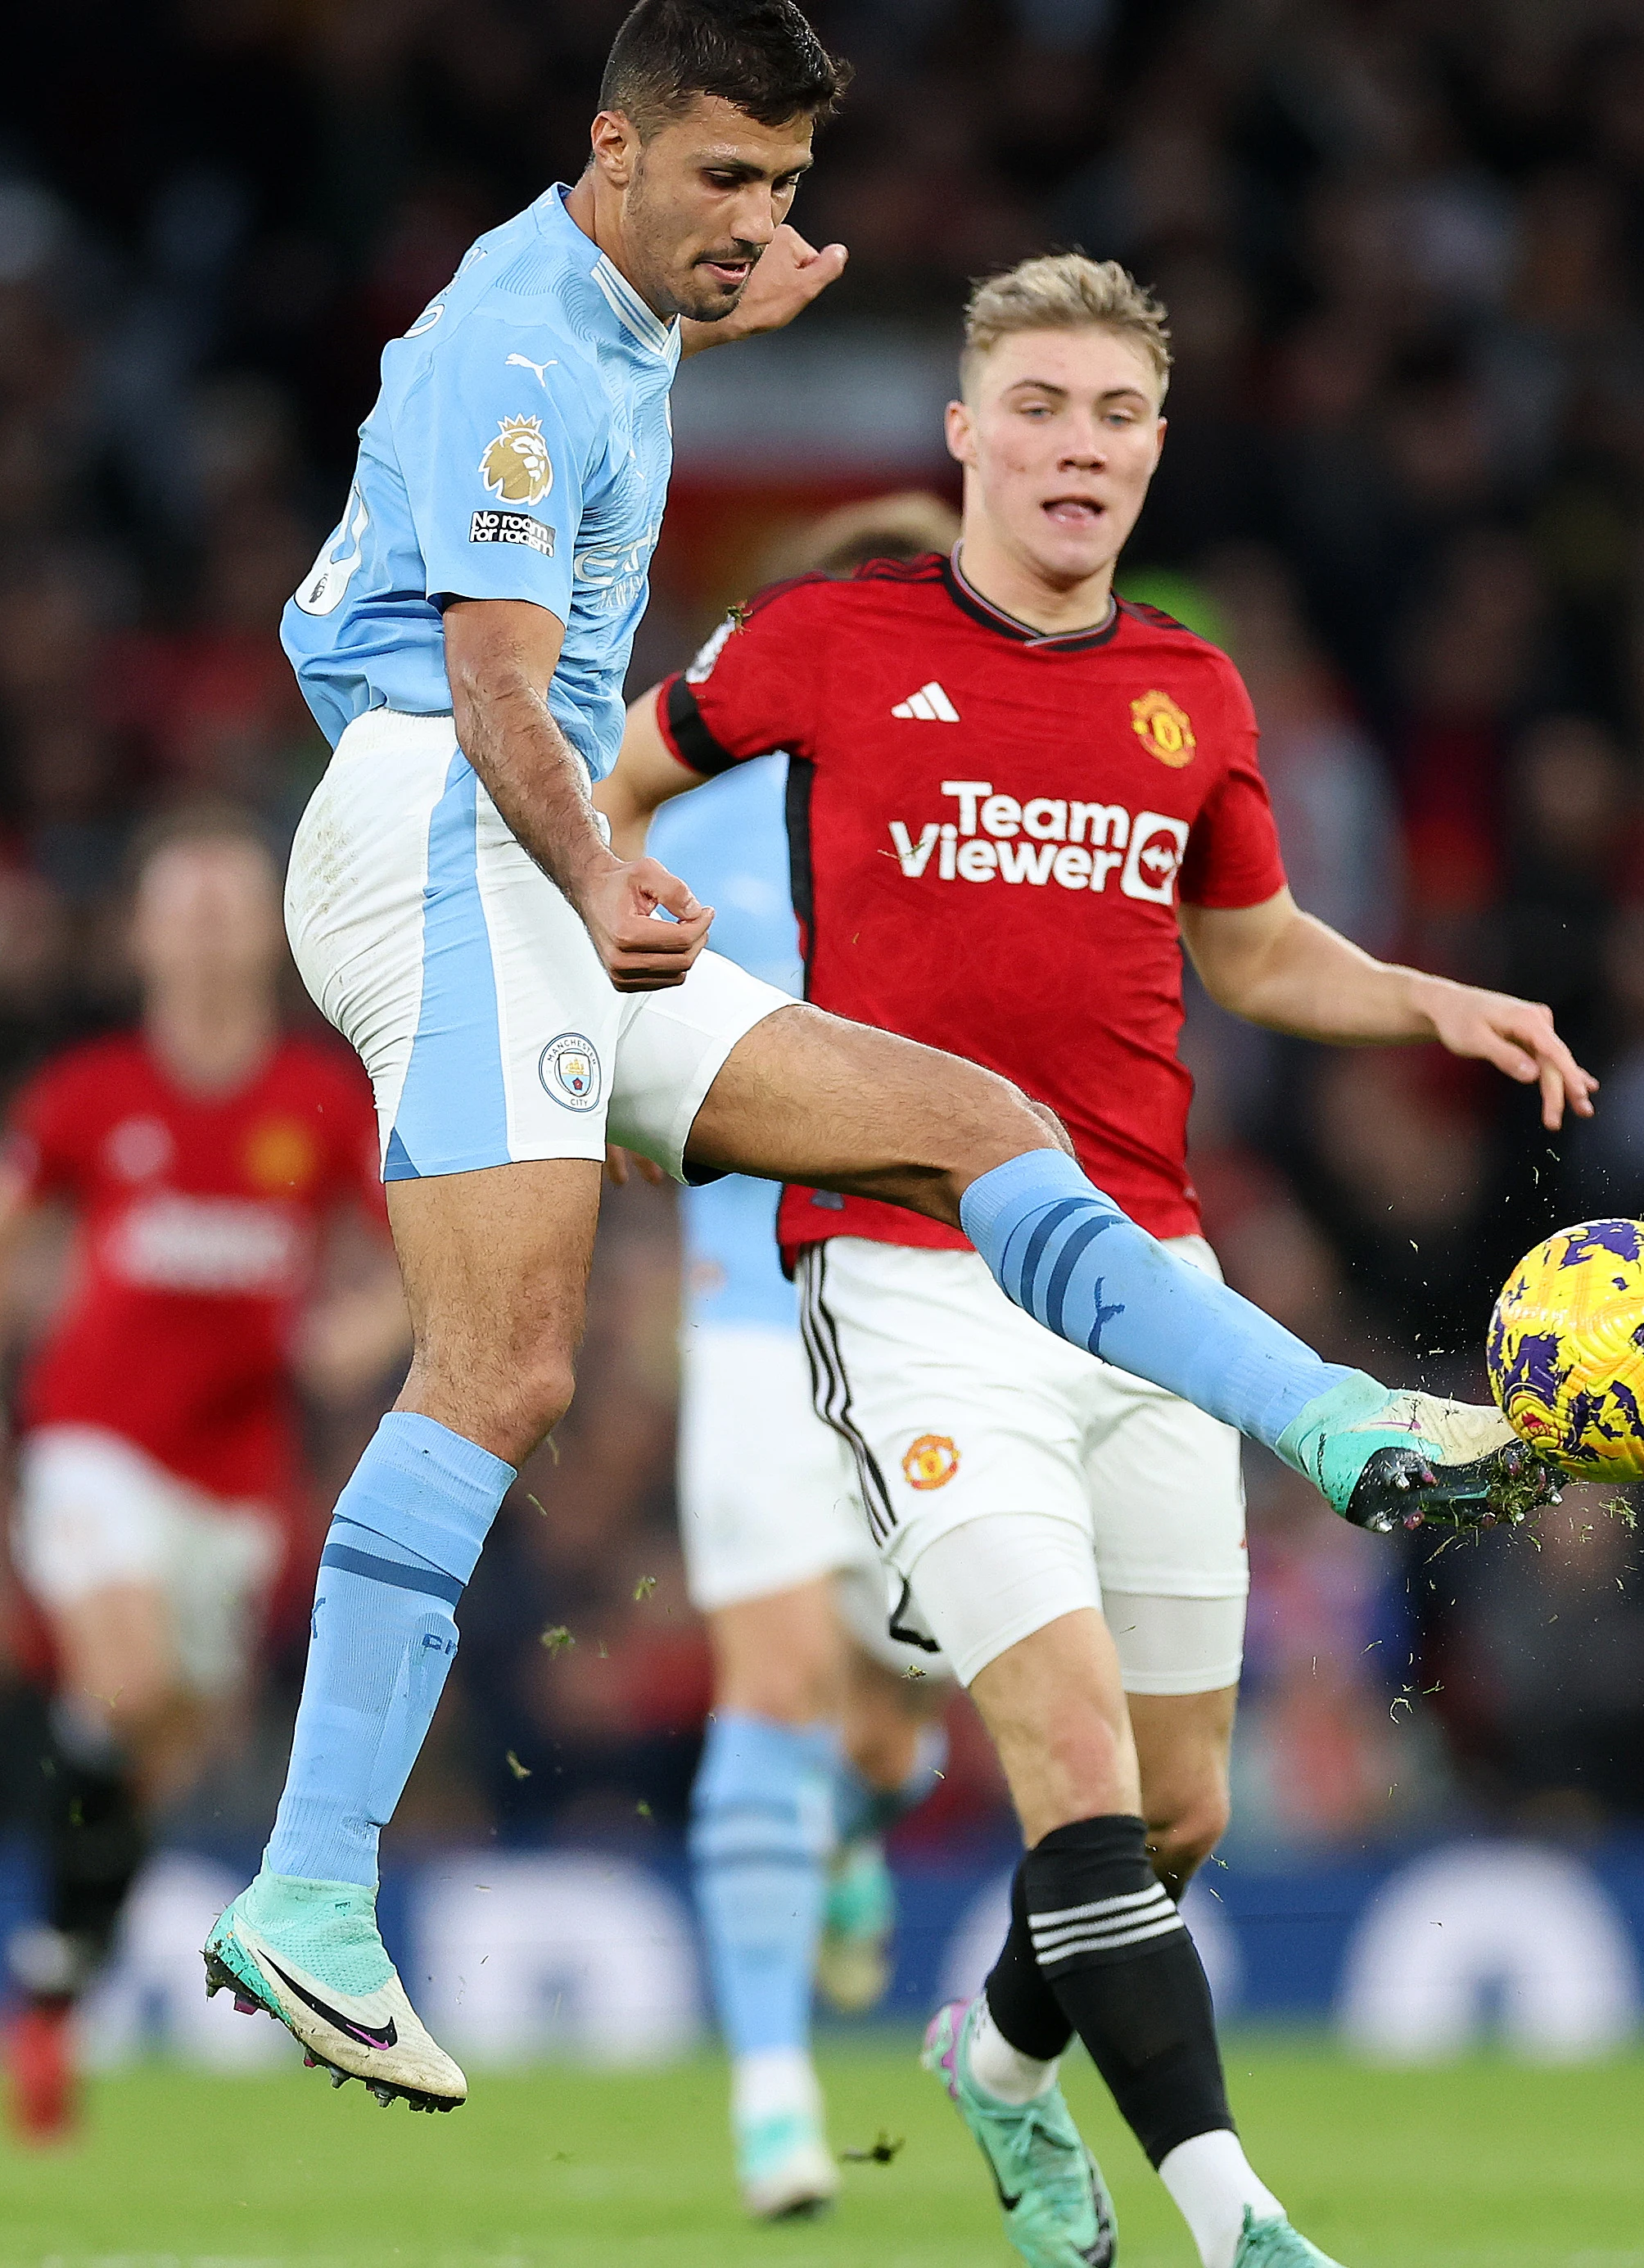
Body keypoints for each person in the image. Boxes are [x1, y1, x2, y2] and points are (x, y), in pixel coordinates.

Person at [217, 0, 1556, 2121]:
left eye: (784, 191)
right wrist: (606, 872)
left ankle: (1317, 1416)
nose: (754, 223)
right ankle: (304, 1888)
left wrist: (733, 301)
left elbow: (610, 411)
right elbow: (493, 691)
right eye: (723, 184)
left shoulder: (617, 305)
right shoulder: (511, 335)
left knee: (971, 1124)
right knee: (505, 1365)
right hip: (457, 825)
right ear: (612, 144)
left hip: (505, 841)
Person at [594, 253, 1596, 2268]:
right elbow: (612, 771)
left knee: (1175, 1815)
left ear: (1152, 449)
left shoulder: (1190, 693)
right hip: (904, 1271)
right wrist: (604, 888)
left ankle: (993, 2064)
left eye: (1112, 416)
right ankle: (1238, 2222)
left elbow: (1245, 948)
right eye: (1036, 407)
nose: (1074, 446)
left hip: (1147, 1276)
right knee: (1063, 1773)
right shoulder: (827, 639)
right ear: (965, 435)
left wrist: (1421, 1000)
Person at [0, 813, 401, 2147]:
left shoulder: (317, 1102)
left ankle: (48, 1988)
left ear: (273, 929)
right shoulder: (90, 1094)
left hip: (237, 1481)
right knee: (126, 1685)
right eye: (179, 902)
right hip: (94, 1441)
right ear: (137, 934)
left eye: (227, 902)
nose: (201, 926)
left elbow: (425, 1250)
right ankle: (58, 1964)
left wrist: (349, 1338)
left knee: (148, 1754)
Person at [649, 492, 964, 2221]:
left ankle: (856, 1829)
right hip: (748, 1315)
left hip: (934, 1319)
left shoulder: (975, 823)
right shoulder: (684, 816)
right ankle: (771, 2092)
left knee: (881, 1723)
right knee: (767, 1684)